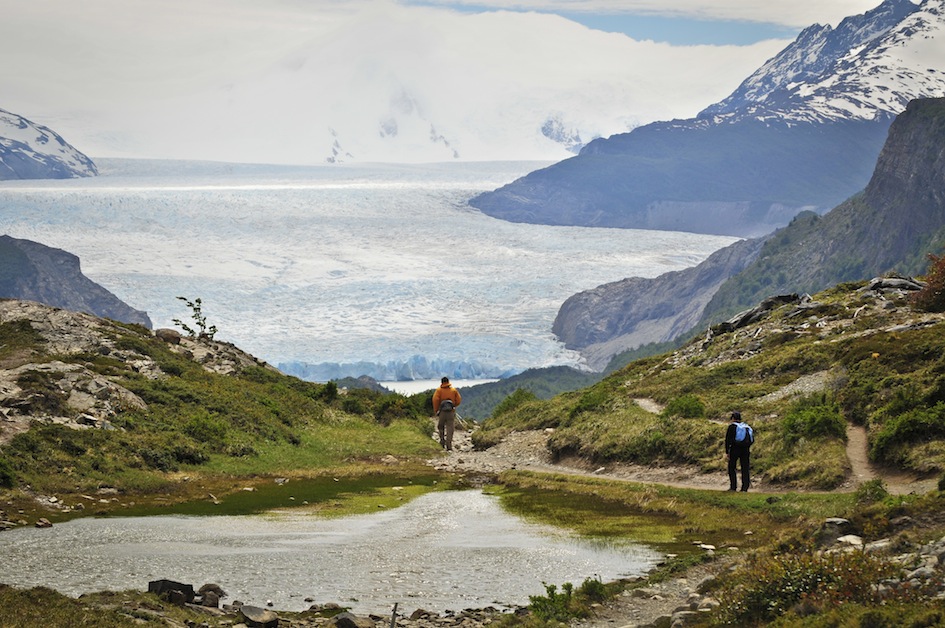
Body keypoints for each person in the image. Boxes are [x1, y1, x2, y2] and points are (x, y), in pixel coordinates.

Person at [725, 411, 754, 492]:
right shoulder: (746, 427)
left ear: (733, 418)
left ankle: (733, 487)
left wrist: (727, 451)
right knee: (745, 468)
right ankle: (745, 487)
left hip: (735, 449)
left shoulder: (732, 427)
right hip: (746, 449)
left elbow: (727, 440)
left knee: (732, 467)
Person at [432, 376, 462, 451]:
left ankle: (442, 442)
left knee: (441, 426)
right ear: (448, 382)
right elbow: (458, 400)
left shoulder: (439, 390)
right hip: (450, 411)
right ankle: (449, 445)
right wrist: (454, 406)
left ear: (441, 382)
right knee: (450, 427)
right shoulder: (453, 390)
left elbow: (435, 400)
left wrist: (436, 410)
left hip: (442, 411)